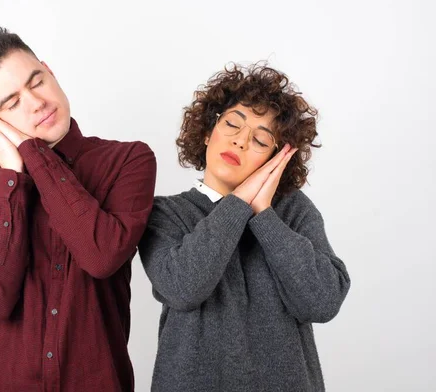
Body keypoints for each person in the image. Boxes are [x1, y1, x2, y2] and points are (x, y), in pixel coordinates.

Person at [0, 27, 156, 391]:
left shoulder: (128, 160)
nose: (36, 102)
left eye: (37, 81)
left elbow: (100, 256)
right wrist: (12, 173)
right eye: (11, 103)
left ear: (50, 70)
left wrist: (32, 153)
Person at [138, 63, 350, 391]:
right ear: (208, 132)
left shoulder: (293, 211)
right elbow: (184, 288)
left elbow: (321, 302)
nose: (240, 141)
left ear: (275, 160)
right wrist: (239, 204)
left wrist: (264, 214)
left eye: (261, 141)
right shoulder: (165, 213)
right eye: (232, 125)